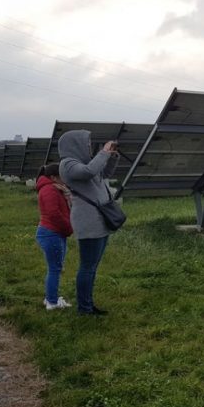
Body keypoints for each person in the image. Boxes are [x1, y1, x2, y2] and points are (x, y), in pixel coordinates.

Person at [58, 130, 119, 316]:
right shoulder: (68, 164)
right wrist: (103, 153)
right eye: (87, 143)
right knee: (87, 266)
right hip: (88, 222)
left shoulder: (87, 162)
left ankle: (89, 304)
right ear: (76, 144)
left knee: (92, 267)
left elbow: (104, 173)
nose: (90, 147)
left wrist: (112, 157)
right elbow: (89, 172)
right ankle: (84, 308)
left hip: (101, 220)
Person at [35, 163, 73, 310]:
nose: (65, 179)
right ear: (54, 177)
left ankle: (51, 297)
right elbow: (53, 214)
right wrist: (68, 227)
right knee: (55, 269)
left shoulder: (54, 188)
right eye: (62, 176)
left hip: (54, 233)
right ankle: (52, 302)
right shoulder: (49, 190)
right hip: (52, 233)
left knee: (55, 268)